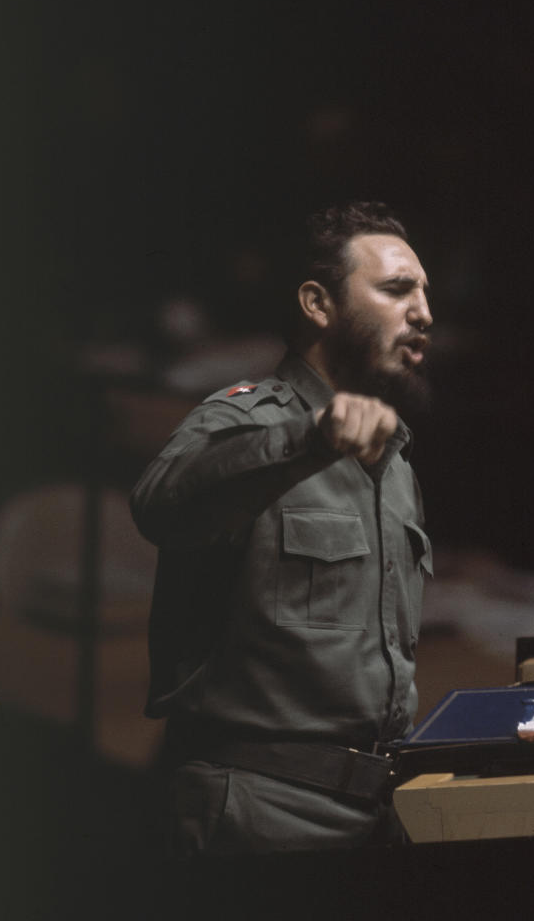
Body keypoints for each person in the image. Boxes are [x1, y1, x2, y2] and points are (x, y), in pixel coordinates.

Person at [130, 201, 434, 859]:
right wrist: (308, 438)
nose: (424, 313)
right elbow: (161, 505)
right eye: (396, 289)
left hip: (375, 823)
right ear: (318, 305)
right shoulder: (246, 419)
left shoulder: (397, 462)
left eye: (425, 293)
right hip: (259, 818)